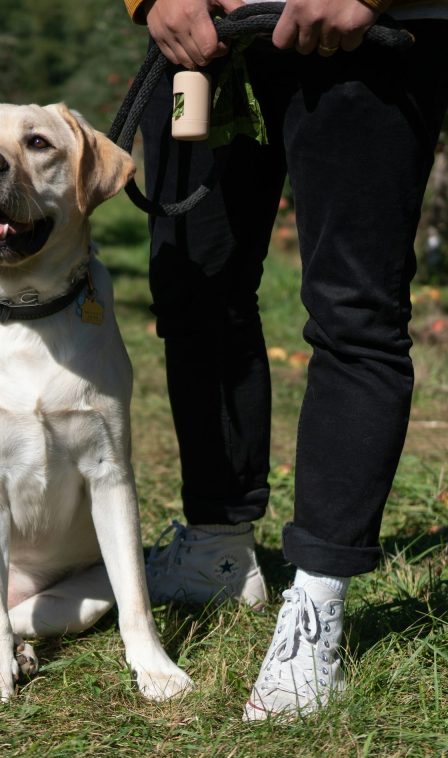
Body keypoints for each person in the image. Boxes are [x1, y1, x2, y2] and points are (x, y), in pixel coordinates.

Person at [122, 0, 448, 719]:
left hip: (363, 37)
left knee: (354, 312)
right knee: (195, 295)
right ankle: (217, 547)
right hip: (204, 48)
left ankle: (318, 602)